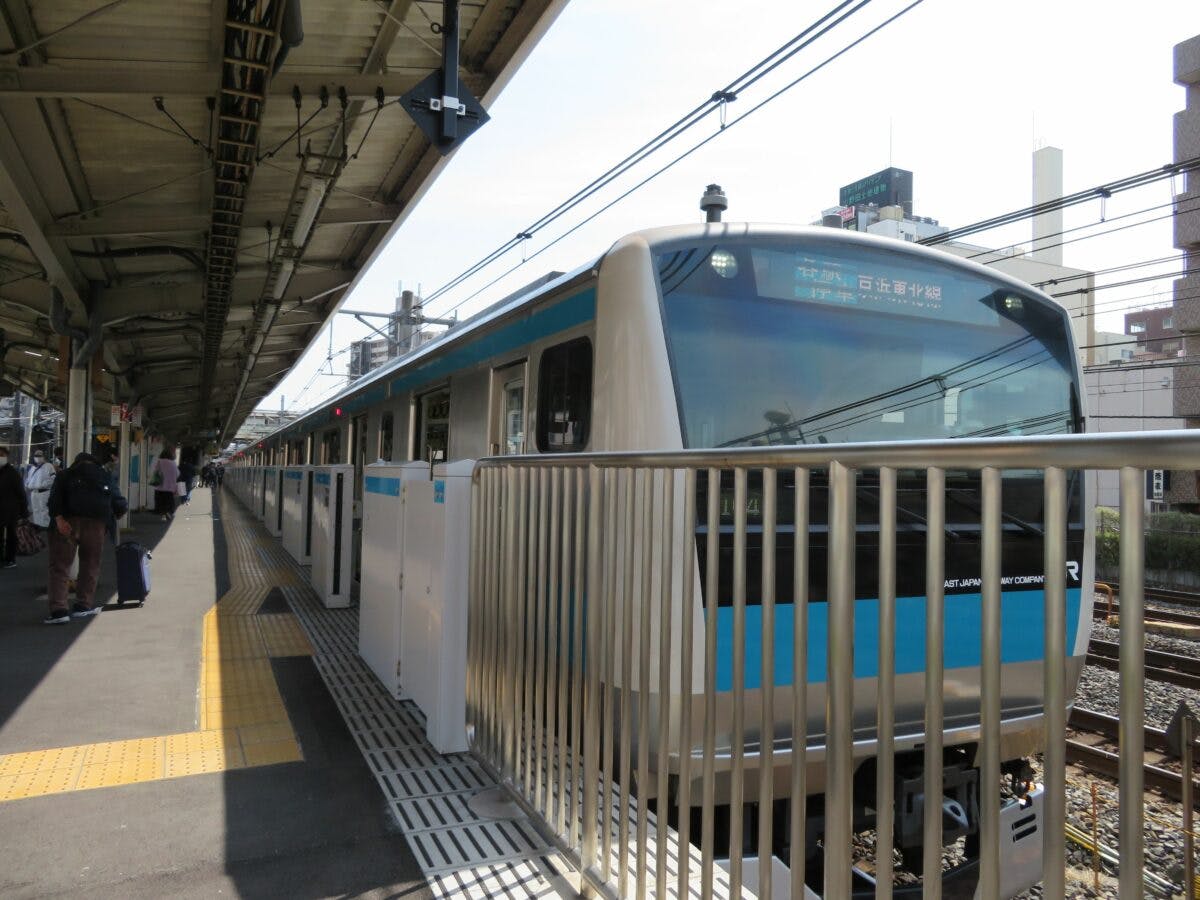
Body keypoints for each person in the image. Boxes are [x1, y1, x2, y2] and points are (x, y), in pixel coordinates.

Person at [44, 451, 125, 624]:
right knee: (90, 564)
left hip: (67, 523)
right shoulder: (104, 475)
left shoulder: (65, 475)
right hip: (96, 525)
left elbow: (54, 501)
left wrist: (59, 519)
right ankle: (83, 606)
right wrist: (112, 518)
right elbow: (119, 503)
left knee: (60, 567)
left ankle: (59, 611)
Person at [0, 445, 30, 569]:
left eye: (2, 455)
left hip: (12, 511)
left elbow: (21, 493)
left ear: (7, 457)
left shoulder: (12, 473)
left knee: (12, 535)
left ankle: (10, 559)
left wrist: (24, 512)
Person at [24, 448, 56, 533]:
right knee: (35, 510)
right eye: (36, 456)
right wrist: (27, 485)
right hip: (34, 492)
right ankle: (37, 526)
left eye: (39, 455)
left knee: (44, 510)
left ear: (43, 456)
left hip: (44, 492)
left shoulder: (49, 466)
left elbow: (52, 479)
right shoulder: (33, 468)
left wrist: (40, 485)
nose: (37, 457)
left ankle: (45, 527)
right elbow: (28, 479)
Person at [152, 445, 179, 521]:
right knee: (169, 501)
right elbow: (177, 474)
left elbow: (156, 472)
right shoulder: (173, 463)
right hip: (170, 487)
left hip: (160, 486)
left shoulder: (160, 462)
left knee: (160, 502)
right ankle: (168, 512)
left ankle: (163, 514)